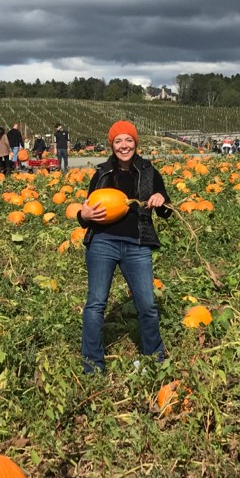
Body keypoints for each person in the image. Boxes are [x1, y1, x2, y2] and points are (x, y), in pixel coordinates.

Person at [77, 121, 171, 374]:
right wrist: (83, 214)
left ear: (135, 143)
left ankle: (154, 360)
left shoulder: (149, 171)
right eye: (118, 141)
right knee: (96, 304)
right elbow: (86, 211)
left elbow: (165, 211)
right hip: (102, 243)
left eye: (128, 140)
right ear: (112, 145)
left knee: (147, 305)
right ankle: (92, 366)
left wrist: (161, 199)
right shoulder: (102, 173)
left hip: (137, 244)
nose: (124, 146)